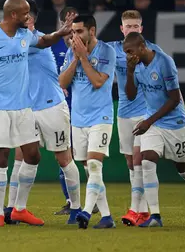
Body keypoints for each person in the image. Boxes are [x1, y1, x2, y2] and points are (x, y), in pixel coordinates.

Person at [0, 0, 76, 227]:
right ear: (13, 15)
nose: (29, 18)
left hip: (23, 108)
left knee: (33, 155)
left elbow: (44, 41)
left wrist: (61, 33)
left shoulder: (24, 36)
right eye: (25, 14)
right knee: (0, 159)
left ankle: (19, 209)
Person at [124, 32, 185, 228]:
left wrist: (148, 121)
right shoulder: (135, 67)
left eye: (130, 51)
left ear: (142, 47)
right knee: (147, 161)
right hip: (153, 123)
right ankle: (155, 216)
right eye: (126, 52)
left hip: (175, 123)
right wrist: (129, 73)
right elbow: (130, 95)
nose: (128, 56)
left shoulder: (164, 62)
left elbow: (174, 99)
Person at [13, 0, 81, 224]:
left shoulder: (38, 39)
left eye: (17, 15)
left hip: (51, 106)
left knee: (64, 158)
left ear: (29, 19)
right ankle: (17, 208)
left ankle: (76, 209)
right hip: (26, 109)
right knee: (25, 158)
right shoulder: (14, 40)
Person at [59, 15, 116, 229]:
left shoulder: (107, 51)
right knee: (90, 170)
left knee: (94, 164)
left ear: (92, 31)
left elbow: (99, 81)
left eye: (79, 31)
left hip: (100, 117)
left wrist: (83, 57)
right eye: (73, 32)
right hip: (78, 119)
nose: (75, 36)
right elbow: (63, 81)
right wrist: (75, 58)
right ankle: (107, 217)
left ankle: (85, 211)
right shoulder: (71, 52)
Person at [108, 10, 164, 226]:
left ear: (141, 29)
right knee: (131, 162)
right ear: (122, 29)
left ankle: (135, 209)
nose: (131, 29)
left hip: (145, 112)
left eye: (135, 26)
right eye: (128, 26)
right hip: (123, 112)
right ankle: (143, 211)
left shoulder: (153, 51)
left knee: (140, 160)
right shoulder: (113, 50)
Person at [52, 6, 99, 216]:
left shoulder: (90, 49)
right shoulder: (53, 49)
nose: (73, 33)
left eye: (76, 29)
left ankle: (92, 200)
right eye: (69, 27)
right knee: (64, 156)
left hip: (83, 111)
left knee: (87, 159)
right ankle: (71, 200)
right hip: (63, 110)